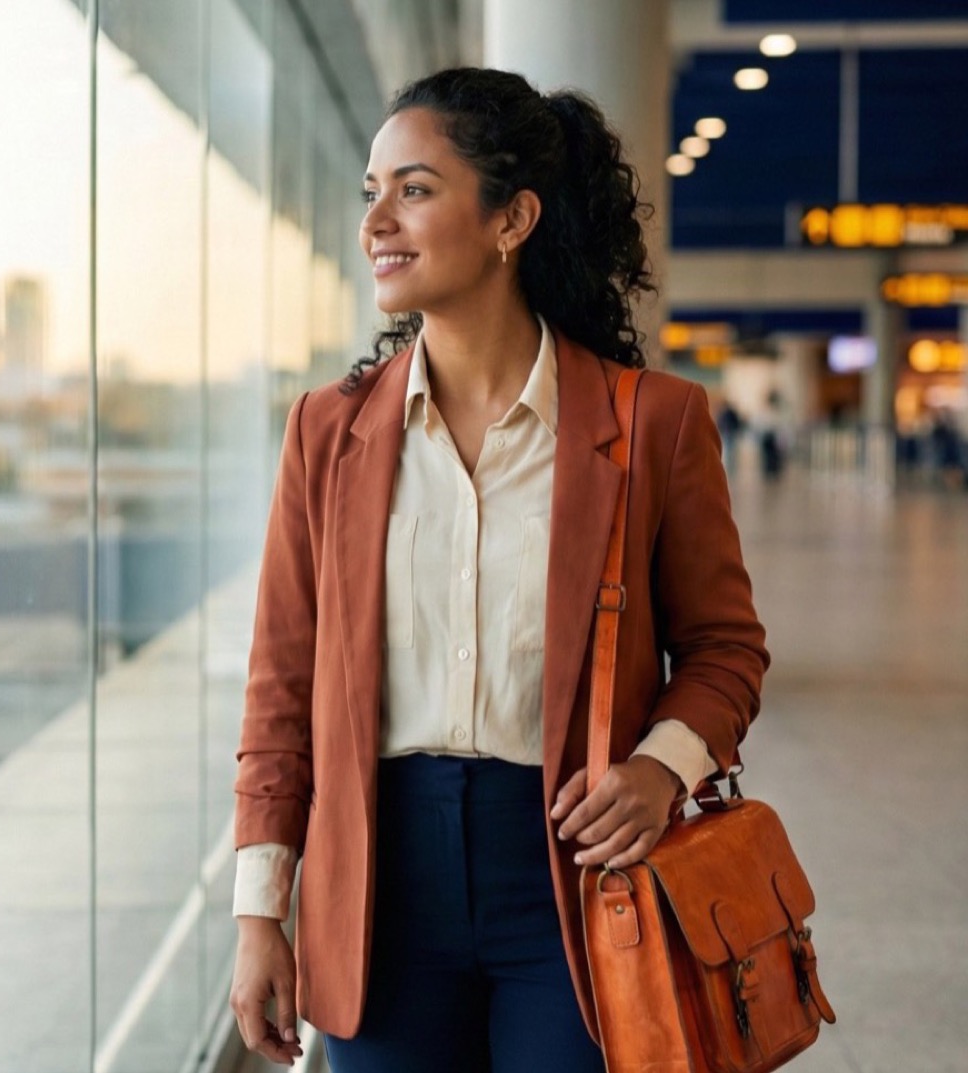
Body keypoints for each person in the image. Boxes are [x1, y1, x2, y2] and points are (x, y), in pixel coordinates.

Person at [227, 67, 768, 1072]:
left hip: (576, 882)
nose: (376, 220)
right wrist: (261, 909)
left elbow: (725, 647)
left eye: (415, 189)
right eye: (370, 192)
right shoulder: (326, 431)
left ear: (512, 218)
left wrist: (662, 765)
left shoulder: (650, 423)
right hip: (375, 891)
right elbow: (280, 692)